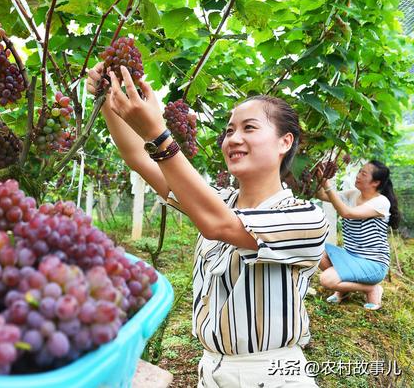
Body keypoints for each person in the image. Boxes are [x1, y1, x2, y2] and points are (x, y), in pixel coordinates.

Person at [87, 63, 328, 387]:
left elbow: (219, 226)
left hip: (270, 375)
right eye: (229, 131)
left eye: (249, 128)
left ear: (285, 142)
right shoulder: (219, 200)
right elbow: (138, 156)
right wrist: (109, 97)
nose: (233, 139)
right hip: (211, 370)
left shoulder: (305, 217)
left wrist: (158, 135)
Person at [315, 160, 399, 311]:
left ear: (375, 182)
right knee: (317, 250)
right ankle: (344, 290)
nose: (358, 175)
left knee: (326, 280)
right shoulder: (352, 194)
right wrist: (317, 177)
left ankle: (371, 288)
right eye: (359, 171)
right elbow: (322, 195)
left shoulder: (380, 202)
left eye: (363, 173)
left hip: (373, 263)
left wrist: (327, 185)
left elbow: (347, 213)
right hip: (351, 256)